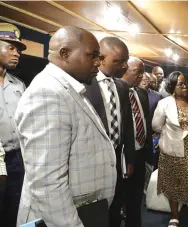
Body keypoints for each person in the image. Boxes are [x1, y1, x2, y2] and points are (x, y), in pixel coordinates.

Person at [15, 26, 117, 227]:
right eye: (93, 55)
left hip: (83, 211)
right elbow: (47, 184)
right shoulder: (47, 94)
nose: (98, 62)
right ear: (65, 53)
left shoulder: (70, 88)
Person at [83, 36, 135, 227]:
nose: (125, 67)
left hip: (117, 159)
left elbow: (127, 125)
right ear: (102, 59)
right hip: (91, 161)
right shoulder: (84, 84)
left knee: (115, 206)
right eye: (119, 61)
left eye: (126, 61)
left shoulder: (122, 86)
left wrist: (129, 158)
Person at [152, 71, 188, 227]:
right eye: (180, 84)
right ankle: (175, 217)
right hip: (172, 151)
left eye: (186, 83)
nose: (185, 86)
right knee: (174, 184)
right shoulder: (164, 103)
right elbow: (156, 126)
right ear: (172, 87)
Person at [120, 57, 153, 227]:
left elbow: (146, 122)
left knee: (136, 199)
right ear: (125, 69)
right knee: (119, 201)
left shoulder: (142, 93)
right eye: (137, 72)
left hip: (140, 154)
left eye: (142, 71)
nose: (141, 76)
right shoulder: (117, 92)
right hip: (123, 156)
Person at [0, 22, 27, 227]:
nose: (16, 53)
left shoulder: (18, 85)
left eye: (17, 49)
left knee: (15, 210)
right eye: (10, 47)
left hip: (18, 159)